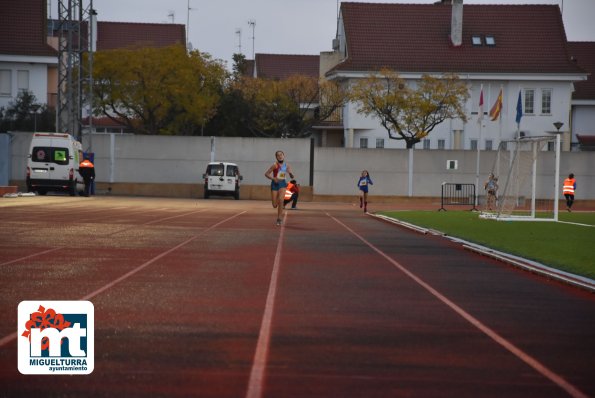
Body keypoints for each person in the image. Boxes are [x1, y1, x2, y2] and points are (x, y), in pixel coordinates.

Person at [264, 150, 295, 226]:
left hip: (282, 184)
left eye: (281, 155)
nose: (280, 156)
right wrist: (273, 178)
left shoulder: (287, 165)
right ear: (276, 157)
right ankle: (278, 200)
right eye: (278, 155)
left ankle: (279, 218)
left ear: (284, 156)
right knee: (274, 205)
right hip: (275, 184)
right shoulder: (274, 165)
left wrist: (290, 173)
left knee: (281, 200)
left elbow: (292, 176)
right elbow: (266, 174)